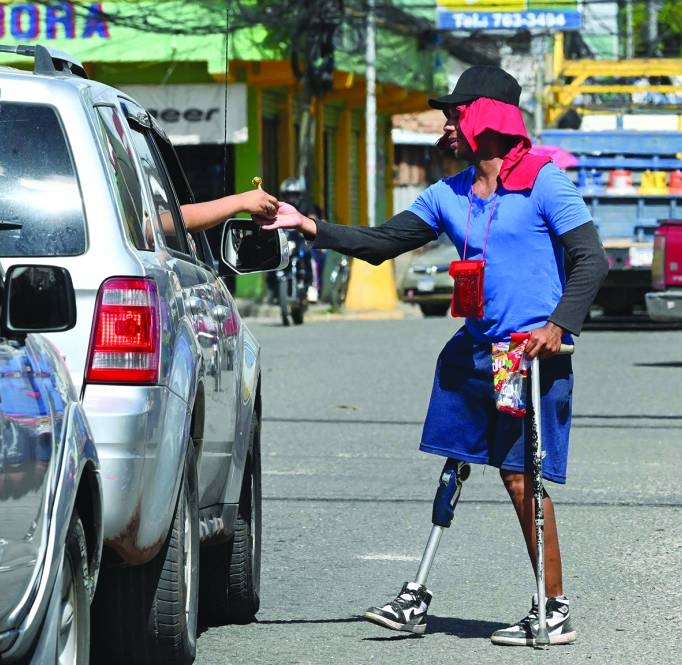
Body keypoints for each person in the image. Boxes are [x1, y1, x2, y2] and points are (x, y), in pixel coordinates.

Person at [256, 64, 608, 646]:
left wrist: (558, 324)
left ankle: (553, 609)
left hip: (527, 356)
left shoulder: (546, 183)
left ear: (486, 117)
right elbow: (384, 242)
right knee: (456, 461)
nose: (445, 127)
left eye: (453, 115)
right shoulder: (451, 193)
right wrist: (308, 225)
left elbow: (590, 259)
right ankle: (415, 597)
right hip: (472, 353)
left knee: (523, 481)